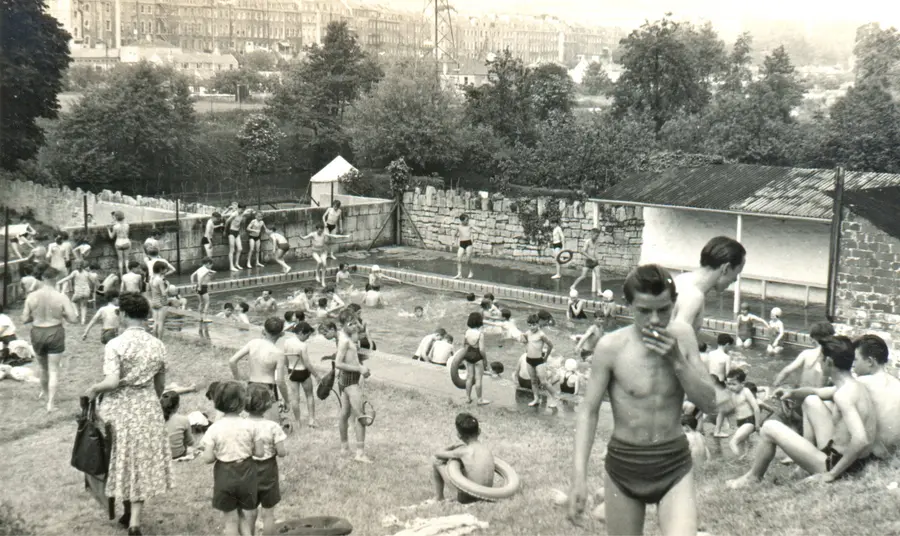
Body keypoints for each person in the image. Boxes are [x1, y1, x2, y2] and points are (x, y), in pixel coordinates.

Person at [568, 264, 728, 535]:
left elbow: (711, 404)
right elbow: (588, 411)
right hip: (624, 466)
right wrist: (578, 476)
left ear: (673, 303)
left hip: (673, 464)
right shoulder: (610, 347)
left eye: (663, 309)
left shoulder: (684, 337)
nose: (655, 319)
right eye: (644, 311)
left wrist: (677, 361)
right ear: (629, 305)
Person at [727, 336, 877, 488]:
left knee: (769, 427)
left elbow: (860, 439)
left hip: (838, 465)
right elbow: (816, 391)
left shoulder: (843, 395)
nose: (819, 362)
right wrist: (791, 392)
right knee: (810, 400)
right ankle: (802, 462)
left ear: (829, 362)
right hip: (854, 460)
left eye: (821, 358)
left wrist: (830, 475)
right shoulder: (854, 385)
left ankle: (752, 477)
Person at [86, 293, 173, 536]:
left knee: (118, 456)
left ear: (123, 314)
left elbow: (112, 381)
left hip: (119, 407)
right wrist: (150, 399)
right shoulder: (158, 344)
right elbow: (160, 385)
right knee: (140, 460)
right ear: (145, 315)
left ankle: (122, 509)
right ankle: (133, 519)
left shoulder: (115, 344)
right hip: (146, 406)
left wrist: (95, 389)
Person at [199, 381, 262, 536]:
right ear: (242, 403)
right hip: (247, 472)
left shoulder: (214, 429)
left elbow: (207, 458)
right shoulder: (251, 425)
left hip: (225, 474)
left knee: (230, 520)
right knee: (244, 517)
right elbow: (259, 452)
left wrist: (216, 453)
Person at [22, 265, 79, 411]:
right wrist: (62, 314)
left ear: (42, 278)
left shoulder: (32, 296)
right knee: (53, 369)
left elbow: (24, 318)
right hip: (54, 331)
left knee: (42, 367)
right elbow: (73, 319)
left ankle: (46, 394)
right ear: (55, 279)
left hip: (38, 331)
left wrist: (36, 315)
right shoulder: (61, 297)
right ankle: (50, 404)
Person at [672, 236, 746, 333]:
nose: (735, 279)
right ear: (726, 268)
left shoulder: (682, 279)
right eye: (737, 273)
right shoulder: (694, 296)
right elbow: (679, 341)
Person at [229, 317, 291, 423]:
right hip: (268, 388)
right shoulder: (278, 353)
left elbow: (232, 361)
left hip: (252, 385)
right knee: (271, 424)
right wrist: (287, 400)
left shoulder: (253, 343)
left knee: (251, 421)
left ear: (263, 330)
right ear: (281, 334)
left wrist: (238, 381)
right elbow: (280, 381)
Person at [246, 384, 287, 536]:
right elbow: (281, 452)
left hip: (246, 470)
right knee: (268, 513)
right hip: (268, 470)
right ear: (268, 404)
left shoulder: (242, 425)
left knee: (249, 512)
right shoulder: (272, 426)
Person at [852, 334, 900, 457]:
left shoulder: (863, 382)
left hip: (873, 452)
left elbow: (826, 393)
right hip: (892, 450)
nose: (852, 365)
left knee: (818, 403)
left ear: (870, 361)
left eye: (855, 360)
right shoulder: (896, 383)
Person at [431, 413, 495, 504]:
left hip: (468, 497)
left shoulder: (464, 452)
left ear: (459, 435)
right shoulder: (487, 450)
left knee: (436, 462)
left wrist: (453, 445)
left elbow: (437, 454)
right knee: (464, 466)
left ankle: (439, 497)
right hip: (487, 494)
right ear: (479, 431)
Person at [335, 318, 373, 463]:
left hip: (346, 379)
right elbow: (338, 363)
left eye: (354, 322)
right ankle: (360, 453)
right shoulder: (345, 341)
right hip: (350, 381)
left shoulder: (344, 335)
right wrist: (359, 368)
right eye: (349, 323)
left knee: (344, 413)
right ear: (343, 324)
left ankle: (344, 447)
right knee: (361, 417)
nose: (353, 325)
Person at [278, 321, 321, 428]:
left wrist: (288, 367)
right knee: (309, 395)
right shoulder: (302, 345)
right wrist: (316, 375)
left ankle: (298, 421)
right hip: (303, 372)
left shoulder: (287, 342)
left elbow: (284, 358)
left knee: (295, 398)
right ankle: (311, 419)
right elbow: (307, 363)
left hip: (292, 371)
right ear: (301, 333)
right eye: (307, 335)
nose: (307, 338)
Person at [720, 369, 762, 455]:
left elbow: (756, 408)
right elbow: (733, 410)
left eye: (734, 384)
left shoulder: (746, 392)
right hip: (740, 422)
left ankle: (738, 463)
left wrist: (757, 425)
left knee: (733, 442)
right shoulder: (733, 394)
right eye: (729, 384)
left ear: (742, 384)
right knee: (742, 448)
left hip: (749, 421)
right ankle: (744, 460)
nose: (731, 386)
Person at [451, 312, 490, 406]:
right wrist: (485, 360)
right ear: (479, 322)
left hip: (469, 355)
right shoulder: (480, 334)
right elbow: (482, 349)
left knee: (469, 377)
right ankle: (480, 399)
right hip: (477, 356)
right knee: (478, 379)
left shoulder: (467, 332)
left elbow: (464, 345)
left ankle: (468, 398)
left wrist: (465, 356)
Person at [522, 313, 554, 407]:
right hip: (529, 360)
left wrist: (546, 357)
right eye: (530, 325)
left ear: (538, 323)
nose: (532, 327)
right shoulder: (527, 333)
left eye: (534, 325)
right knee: (533, 381)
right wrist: (522, 339)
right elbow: (526, 343)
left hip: (539, 360)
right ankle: (536, 398)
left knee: (543, 382)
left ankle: (555, 397)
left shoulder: (541, 335)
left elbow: (550, 345)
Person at [56, 259, 94, 324]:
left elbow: (68, 278)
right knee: (83, 306)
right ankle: (83, 321)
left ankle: (76, 312)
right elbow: (92, 282)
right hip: (86, 291)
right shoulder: (87, 273)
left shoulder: (75, 272)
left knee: (73, 302)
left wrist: (59, 282)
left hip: (78, 292)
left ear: (76, 265)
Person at [161, 391, 195, 460]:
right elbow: (190, 442)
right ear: (178, 405)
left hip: (162, 455)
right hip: (179, 454)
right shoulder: (183, 419)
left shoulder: (157, 420)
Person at [569, 227, 602, 295]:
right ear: (592, 234)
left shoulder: (596, 242)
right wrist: (591, 258)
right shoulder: (587, 242)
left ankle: (599, 291)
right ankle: (573, 286)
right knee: (583, 276)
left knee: (598, 276)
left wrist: (597, 258)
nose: (597, 237)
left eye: (598, 236)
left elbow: (595, 250)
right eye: (596, 236)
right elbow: (582, 251)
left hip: (595, 262)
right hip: (588, 262)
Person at [191, 258, 216, 341]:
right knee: (207, 302)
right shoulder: (206, 270)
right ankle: (205, 317)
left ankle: (200, 316)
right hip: (203, 287)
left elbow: (192, 275)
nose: (211, 266)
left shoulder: (200, 269)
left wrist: (193, 285)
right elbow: (202, 277)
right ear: (208, 263)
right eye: (211, 265)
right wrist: (200, 286)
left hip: (197, 286)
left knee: (201, 302)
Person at [453, 214, 480, 280]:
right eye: (466, 220)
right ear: (462, 221)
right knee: (458, 258)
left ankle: (471, 272)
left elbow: (477, 230)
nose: (467, 221)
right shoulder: (459, 227)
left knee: (468, 260)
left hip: (468, 243)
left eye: (468, 220)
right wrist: (454, 241)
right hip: (462, 243)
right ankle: (459, 274)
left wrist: (484, 233)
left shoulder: (469, 226)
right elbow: (454, 234)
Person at [149, 261, 170, 340]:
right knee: (161, 322)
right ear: (161, 269)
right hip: (161, 302)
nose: (166, 270)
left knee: (155, 322)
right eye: (165, 269)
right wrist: (168, 286)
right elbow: (163, 293)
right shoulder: (159, 280)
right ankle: (160, 340)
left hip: (154, 301)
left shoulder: (151, 278)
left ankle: (154, 339)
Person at [108, 211, 131, 275]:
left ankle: (121, 276)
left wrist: (108, 230)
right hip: (126, 242)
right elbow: (127, 234)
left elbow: (111, 237)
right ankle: (128, 274)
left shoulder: (115, 226)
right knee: (126, 259)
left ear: (116, 217)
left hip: (118, 243)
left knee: (120, 260)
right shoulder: (127, 225)